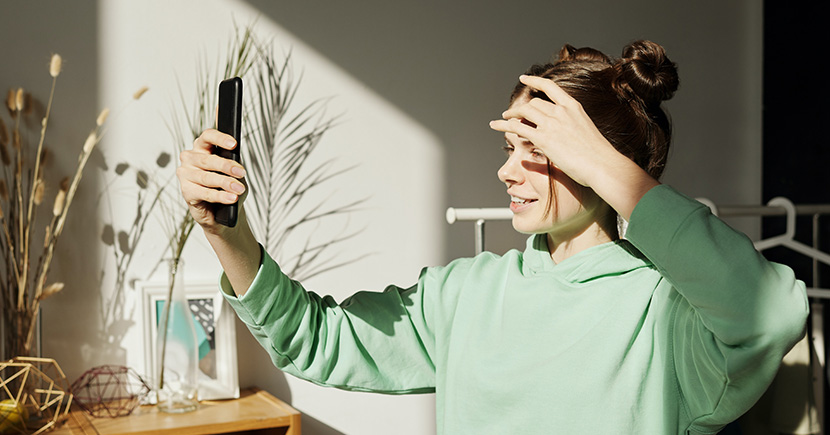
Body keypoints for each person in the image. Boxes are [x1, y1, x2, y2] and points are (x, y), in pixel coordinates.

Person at [177, 40, 808, 434]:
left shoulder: (666, 313)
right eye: (508, 147)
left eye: (534, 149)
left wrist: (609, 168)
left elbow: (774, 312)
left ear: (596, 158)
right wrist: (224, 231)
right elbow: (313, 340)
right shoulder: (465, 295)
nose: (507, 169)